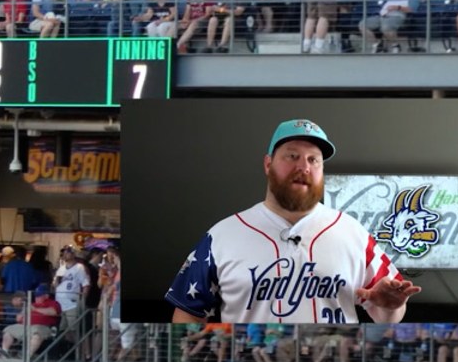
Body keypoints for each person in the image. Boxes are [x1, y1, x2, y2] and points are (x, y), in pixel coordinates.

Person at [166, 119, 421, 323]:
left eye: (314, 160)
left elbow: (389, 316)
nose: (304, 166)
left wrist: (392, 308)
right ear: (268, 164)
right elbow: (187, 312)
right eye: (292, 156)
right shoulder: (223, 235)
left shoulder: (352, 232)